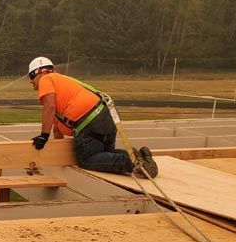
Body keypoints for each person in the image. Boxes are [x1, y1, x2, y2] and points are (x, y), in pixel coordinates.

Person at [27, 57, 158, 178]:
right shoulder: (65, 85)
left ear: (38, 73)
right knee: (105, 155)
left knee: (86, 160)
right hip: (107, 113)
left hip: (89, 120)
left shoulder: (46, 79)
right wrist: (60, 155)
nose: (31, 82)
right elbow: (57, 129)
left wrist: (43, 136)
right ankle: (142, 157)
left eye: (31, 78)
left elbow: (49, 107)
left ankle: (132, 162)